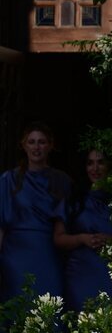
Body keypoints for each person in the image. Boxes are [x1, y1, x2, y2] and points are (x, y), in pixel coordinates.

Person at [0, 122, 72, 304]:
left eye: (41, 142)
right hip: (14, 257)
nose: (36, 147)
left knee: (50, 306)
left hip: (48, 253)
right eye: (31, 142)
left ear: (50, 145)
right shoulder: (9, 179)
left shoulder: (62, 180)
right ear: (23, 145)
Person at [54, 148, 112, 312]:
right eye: (90, 163)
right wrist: (82, 238)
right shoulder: (73, 199)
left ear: (109, 165)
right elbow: (58, 238)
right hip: (81, 275)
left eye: (100, 162)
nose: (95, 168)